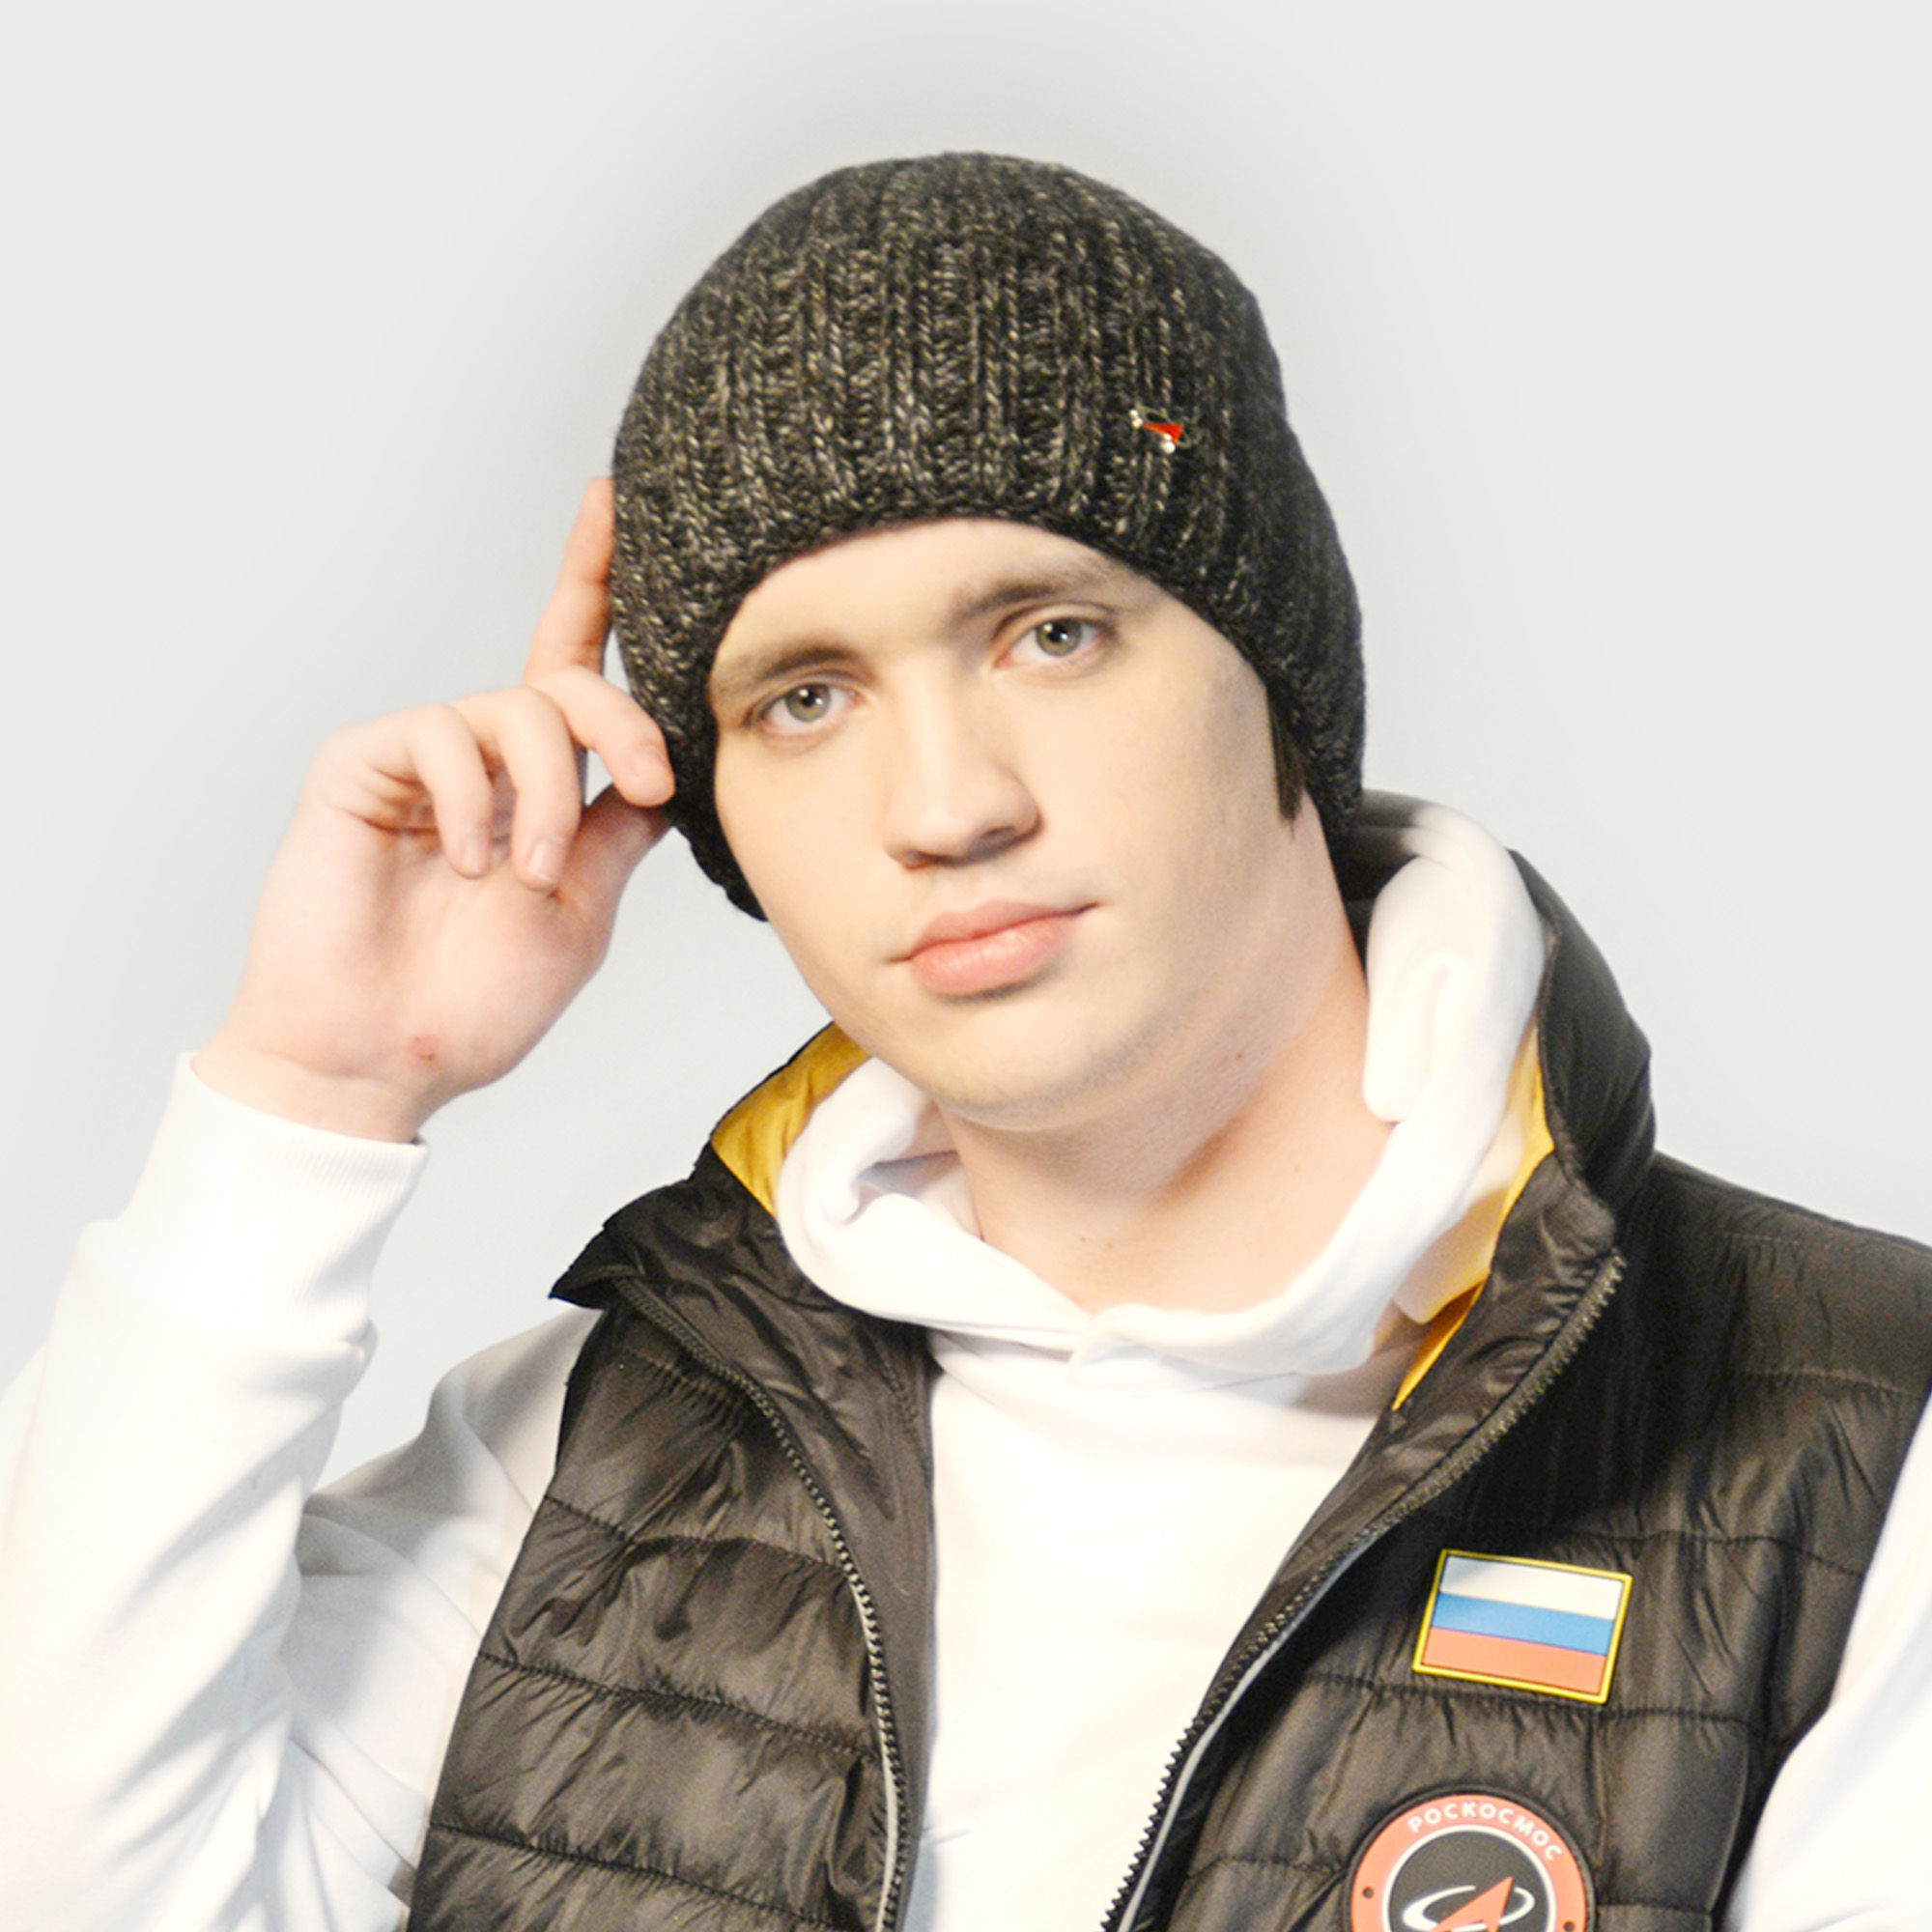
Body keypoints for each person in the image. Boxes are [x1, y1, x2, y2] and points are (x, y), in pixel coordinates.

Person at [2, 154, 1928, 1932]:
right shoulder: (592, 1447)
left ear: (1274, 674)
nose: (944, 803)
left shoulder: (1861, 1440)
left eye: (1050, 633)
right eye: (805, 696)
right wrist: (313, 1095)